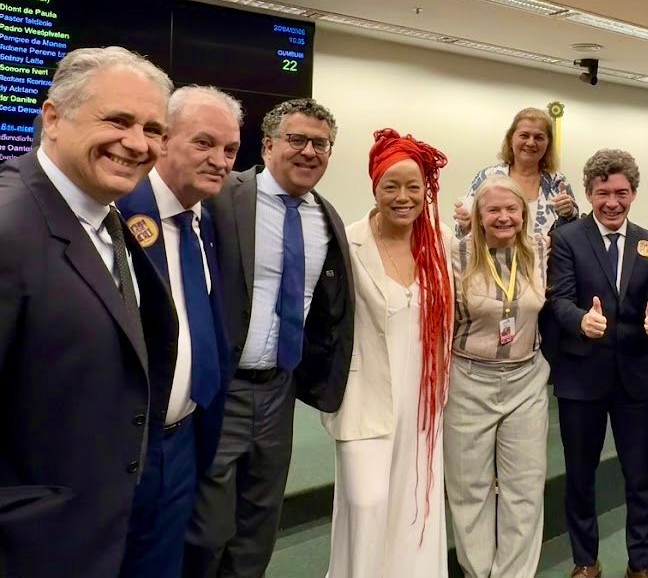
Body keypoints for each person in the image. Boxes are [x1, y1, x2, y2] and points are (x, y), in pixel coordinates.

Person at [0, 46, 177, 578]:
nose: (137, 143)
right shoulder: (9, 227)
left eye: (153, 129)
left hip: (102, 525)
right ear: (53, 118)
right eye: (118, 120)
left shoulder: (104, 218)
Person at [184, 98, 355, 578]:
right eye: (296, 140)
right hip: (221, 390)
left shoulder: (326, 218)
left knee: (259, 525)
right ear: (267, 145)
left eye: (320, 144)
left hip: (280, 392)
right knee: (206, 529)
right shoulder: (221, 197)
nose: (309, 152)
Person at [116, 86, 241, 578]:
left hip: (186, 438)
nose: (220, 161)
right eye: (204, 143)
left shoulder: (206, 221)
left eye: (230, 149)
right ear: (163, 140)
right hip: (124, 450)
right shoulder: (117, 211)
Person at [321, 128, 454, 578]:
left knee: (415, 505)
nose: (403, 197)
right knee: (366, 502)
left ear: (426, 190)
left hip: (422, 401)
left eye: (413, 186)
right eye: (391, 186)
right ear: (374, 186)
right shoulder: (347, 242)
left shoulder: (439, 244)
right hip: (363, 394)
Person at [545, 149, 648, 578]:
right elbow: (559, 298)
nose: (612, 203)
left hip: (634, 378)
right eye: (603, 193)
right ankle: (586, 561)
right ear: (589, 193)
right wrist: (580, 320)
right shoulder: (568, 239)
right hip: (580, 377)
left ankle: (642, 564)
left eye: (621, 193)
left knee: (641, 476)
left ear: (633, 192)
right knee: (580, 477)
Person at [445, 175, 549, 578]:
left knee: (525, 488)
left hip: (526, 380)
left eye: (512, 209)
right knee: (469, 488)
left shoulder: (539, 249)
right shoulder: (457, 253)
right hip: (469, 379)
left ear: (524, 214)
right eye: (493, 210)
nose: (504, 217)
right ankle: (477, 572)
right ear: (478, 215)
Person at [454, 107, 578, 238]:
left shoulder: (557, 182)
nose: (531, 143)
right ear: (510, 139)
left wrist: (570, 213)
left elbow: (575, 233)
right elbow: (461, 232)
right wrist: (465, 223)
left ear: (548, 144)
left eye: (539, 137)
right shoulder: (488, 177)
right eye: (524, 135)